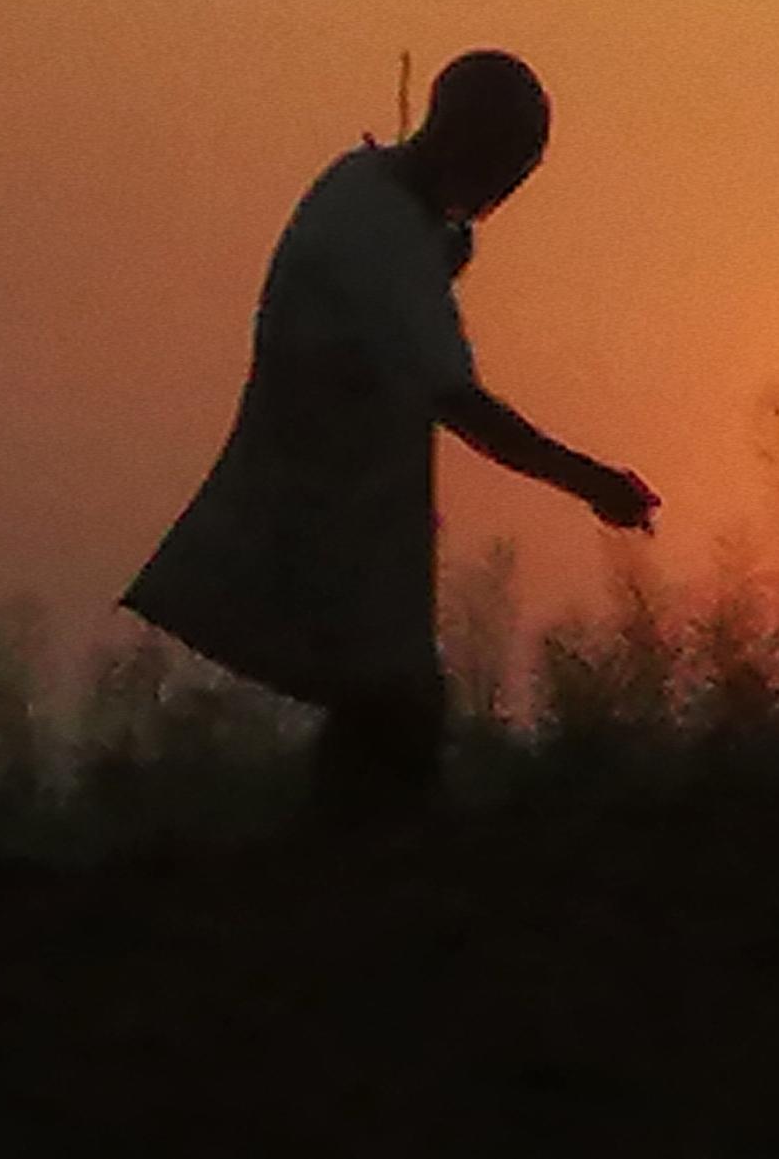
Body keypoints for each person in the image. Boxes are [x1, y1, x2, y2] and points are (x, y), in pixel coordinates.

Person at [120, 50, 658, 820]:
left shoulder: (357, 188)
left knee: (382, 705)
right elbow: (460, 402)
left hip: (349, 497)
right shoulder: (386, 240)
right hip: (326, 504)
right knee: (391, 707)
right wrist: (590, 481)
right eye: (505, 168)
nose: (502, 195)